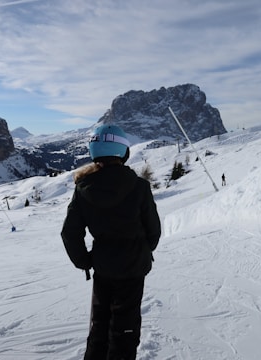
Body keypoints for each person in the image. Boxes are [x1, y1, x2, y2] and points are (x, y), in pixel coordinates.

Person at [61, 124, 161, 360]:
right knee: (125, 328)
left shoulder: (84, 188)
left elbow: (70, 232)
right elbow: (153, 230)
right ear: (123, 152)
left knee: (100, 325)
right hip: (133, 268)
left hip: (103, 266)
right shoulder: (139, 187)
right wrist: (144, 250)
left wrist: (84, 260)